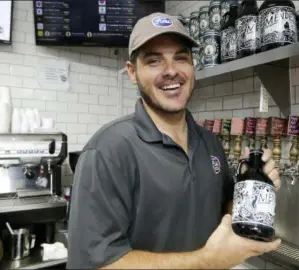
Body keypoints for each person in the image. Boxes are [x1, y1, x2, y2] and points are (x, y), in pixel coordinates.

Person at [67, 12, 281, 269]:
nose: (171, 71)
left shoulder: (210, 143)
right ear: (133, 72)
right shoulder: (107, 151)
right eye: (154, 61)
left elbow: (224, 212)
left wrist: (254, 185)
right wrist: (206, 262)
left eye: (180, 58)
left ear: (192, 66)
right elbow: (97, 264)